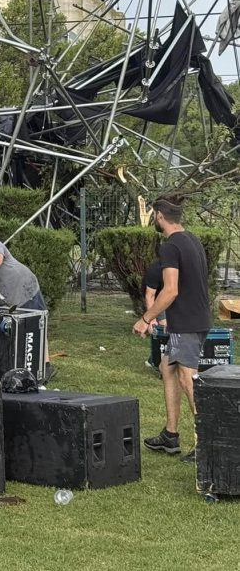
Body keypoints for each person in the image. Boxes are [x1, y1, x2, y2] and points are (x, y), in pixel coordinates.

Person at [133, 198, 211, 463]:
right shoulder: (192, 240)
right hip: (193, 319)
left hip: (187, 324)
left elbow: (171, 290)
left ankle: (207, 443)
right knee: (168, 367)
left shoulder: (170, 246)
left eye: (153, 215)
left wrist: (147, 318)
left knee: (188, 380)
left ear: (160, 217)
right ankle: (170, 434)